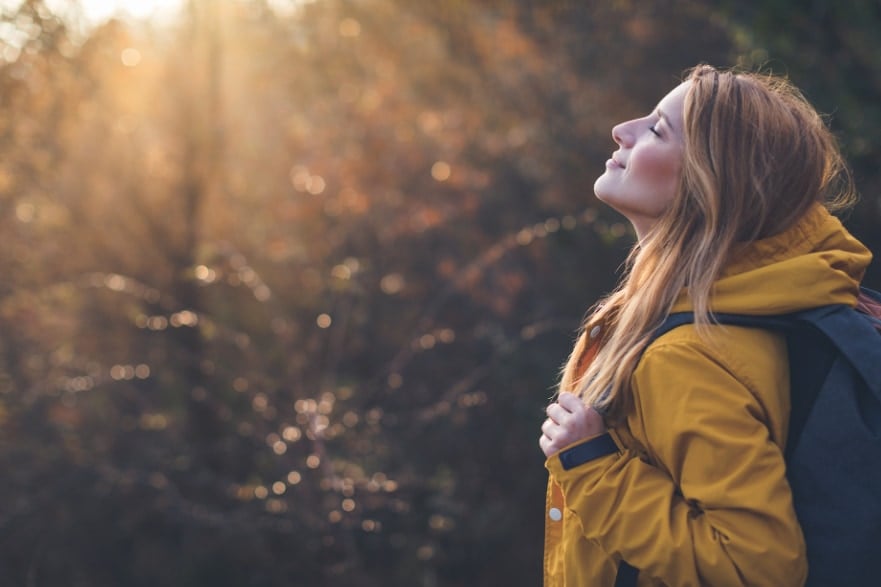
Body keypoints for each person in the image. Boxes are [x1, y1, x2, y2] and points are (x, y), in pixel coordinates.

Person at [539, 64, 874, 586]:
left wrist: (593, 468)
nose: (621, 129)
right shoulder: (780, 301)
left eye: (655, 130)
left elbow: (758, 567)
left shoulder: (686, 356)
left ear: (707, 184)